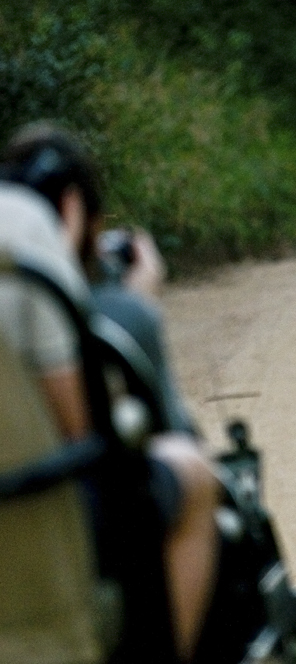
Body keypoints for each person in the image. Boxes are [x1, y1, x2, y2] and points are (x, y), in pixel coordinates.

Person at [0, 122, 218, 662]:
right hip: (35, 534)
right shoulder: (19, 224)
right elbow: (83, 431)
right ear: (75, 209)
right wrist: (134, 304)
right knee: (189, 471)